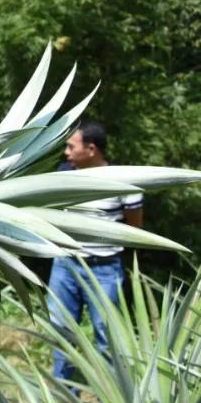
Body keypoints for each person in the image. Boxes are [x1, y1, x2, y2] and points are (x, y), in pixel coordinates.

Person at [47, 120, 143, 383]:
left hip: (104, 269)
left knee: (107, 335)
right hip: (65, 265)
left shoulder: (122, 181)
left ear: (91, 149)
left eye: (71, 146)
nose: (66, 152)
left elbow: (135, 225)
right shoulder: (64, 173)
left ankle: (112, 402)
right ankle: (64, 397)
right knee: (61, 331)